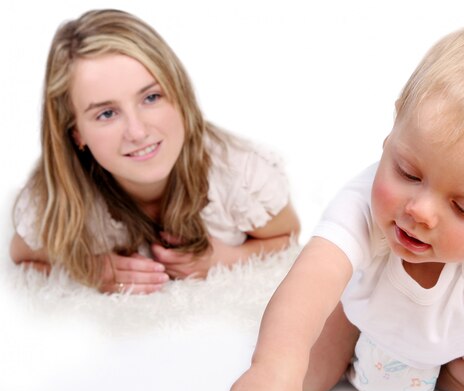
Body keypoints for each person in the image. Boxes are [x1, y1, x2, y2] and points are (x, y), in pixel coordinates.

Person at [229, 22, 464, 391]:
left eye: (463, 208)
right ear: (392, 132)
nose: (419, 211)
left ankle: (439, 377)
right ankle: (344, 362)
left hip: (461, 351)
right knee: (303, 360)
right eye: (408, 173)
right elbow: (311, 281)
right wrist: (274, 368)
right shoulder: (363, 203)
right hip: (361, 326)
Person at [9, 9, 300, 294]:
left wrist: (227, 260)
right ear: (76, 134)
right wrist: (89, 267)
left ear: (180, 95)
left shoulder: (239, 173)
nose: (137, 132)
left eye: (151, 97)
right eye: (107, 114)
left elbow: (287, 236)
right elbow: (21, 254)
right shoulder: (55, 198)